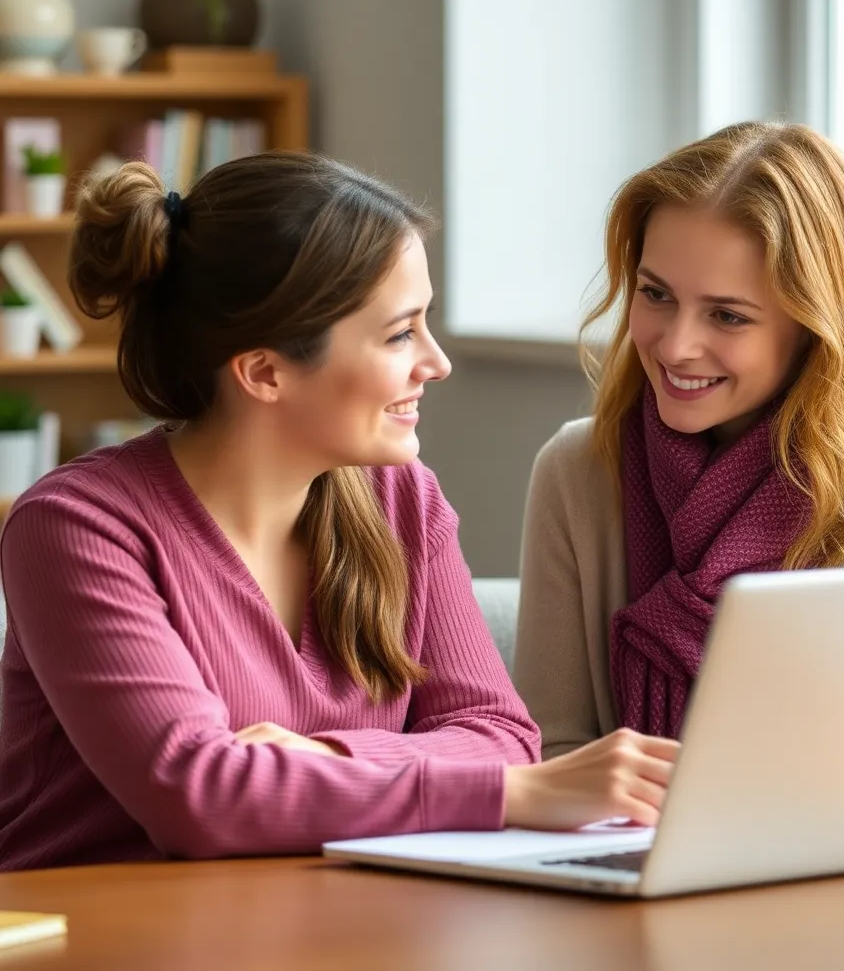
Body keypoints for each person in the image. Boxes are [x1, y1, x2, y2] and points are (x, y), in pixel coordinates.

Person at [0, 153, 678, 870]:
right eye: (399, 334)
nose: (437, 362)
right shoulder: (76, 529)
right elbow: (198, 796)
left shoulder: (402, 500)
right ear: (265, 372)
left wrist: (322, 756)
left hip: (322, 923)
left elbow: (499, 734)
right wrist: (506, 794)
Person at [514, 120, 844, 758]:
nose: (677, 345)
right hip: (622, 850)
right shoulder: (578, 469)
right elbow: (550, 755)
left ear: (813, 324)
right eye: (656, 294)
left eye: (728, 315)